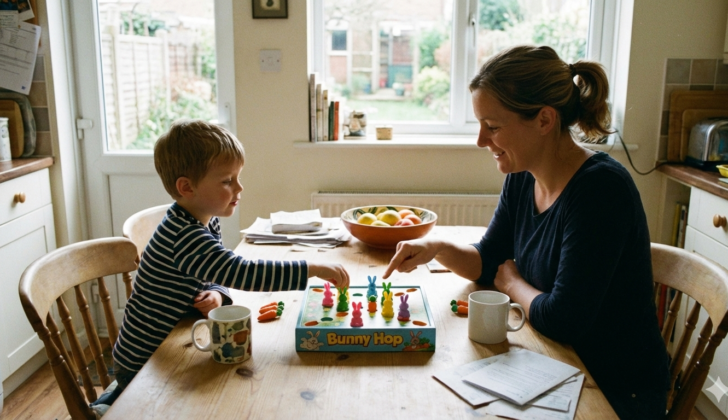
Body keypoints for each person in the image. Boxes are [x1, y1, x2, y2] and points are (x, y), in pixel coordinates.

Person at [382, 45, 669, 419]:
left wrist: (513, 283)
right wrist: (437, 247)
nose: (481, 141)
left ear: (545, 120)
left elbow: (563, 318)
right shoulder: (523, 175)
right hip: (555, 366)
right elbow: (489, 262)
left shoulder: (601, 190)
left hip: (614, 391)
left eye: (493, 127)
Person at [92, 120, 350, 408]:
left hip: (174, 338)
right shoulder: (184, 235)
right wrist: (311, 269)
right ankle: (108, 404)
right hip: (144, 362)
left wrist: (216, 291)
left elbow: (213, 268)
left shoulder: (203, 219)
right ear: (186, 187)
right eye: (228, 181)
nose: (239, 187)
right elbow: (241, 272)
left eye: (238, 177)